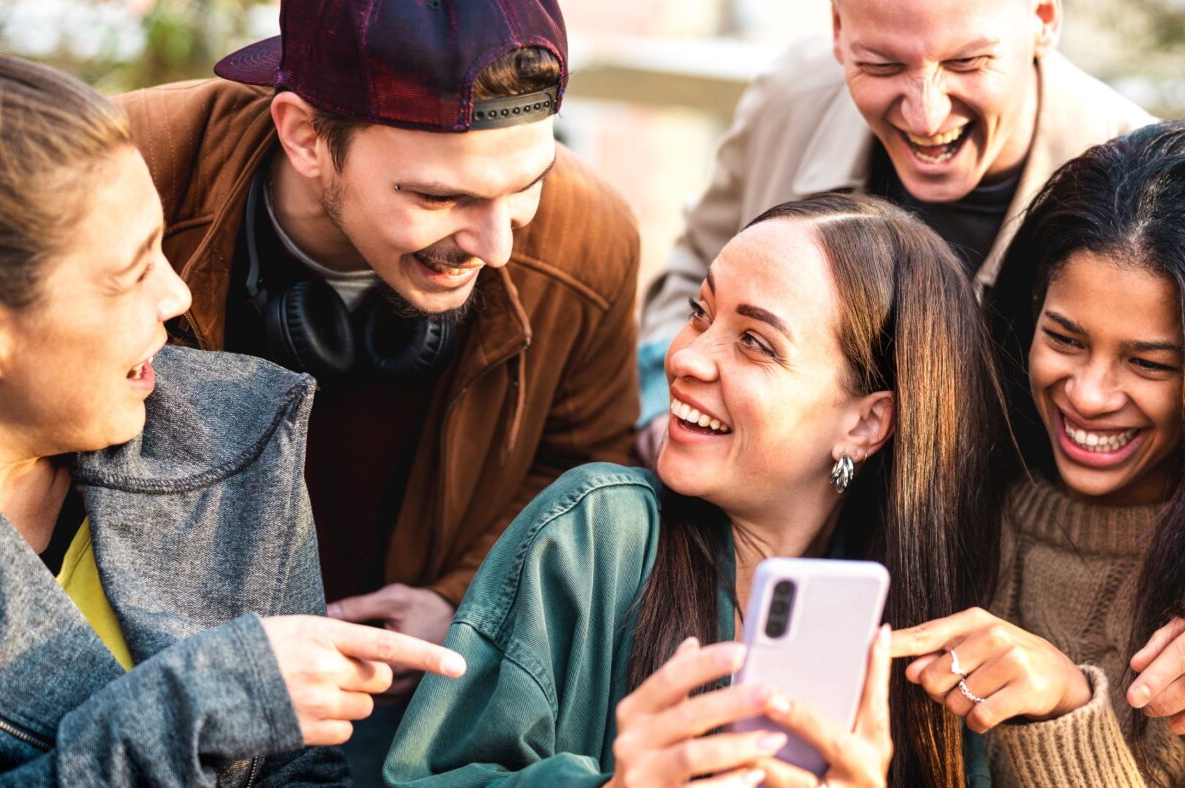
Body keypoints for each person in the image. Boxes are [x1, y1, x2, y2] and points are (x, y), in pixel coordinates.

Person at [0, 50, 466, 785]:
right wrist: (194, 706)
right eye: (131, 273)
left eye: (164, 246)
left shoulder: (242, 436)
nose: (178, 297)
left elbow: (307, 776)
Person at [385, 193, 1005, 787]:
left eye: (755, 343)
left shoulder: (925, 643)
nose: (684, 359)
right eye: (699, 313)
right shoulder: (597, 535)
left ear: (865, 424)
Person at [114, 0, 639, 665]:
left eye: (529, 184)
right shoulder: (120, 177)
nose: (499, 246)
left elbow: (582, 471)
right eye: (439, 197)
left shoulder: (589, 239)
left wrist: (465, 602)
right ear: (305, 137)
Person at [893, 121, 1185, 786]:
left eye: (1151, 363)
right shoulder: (940, 490)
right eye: (1065, 339)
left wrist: (1066, 719)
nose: (1090, 396)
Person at [635, 0, 1154, 463]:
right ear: (837, 28)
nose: (926, 116)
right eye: (882, 65)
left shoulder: (1151, 184)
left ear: (1044, 18)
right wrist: (668, 406)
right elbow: (693, 272)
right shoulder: (789, 97)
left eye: (967, 63)